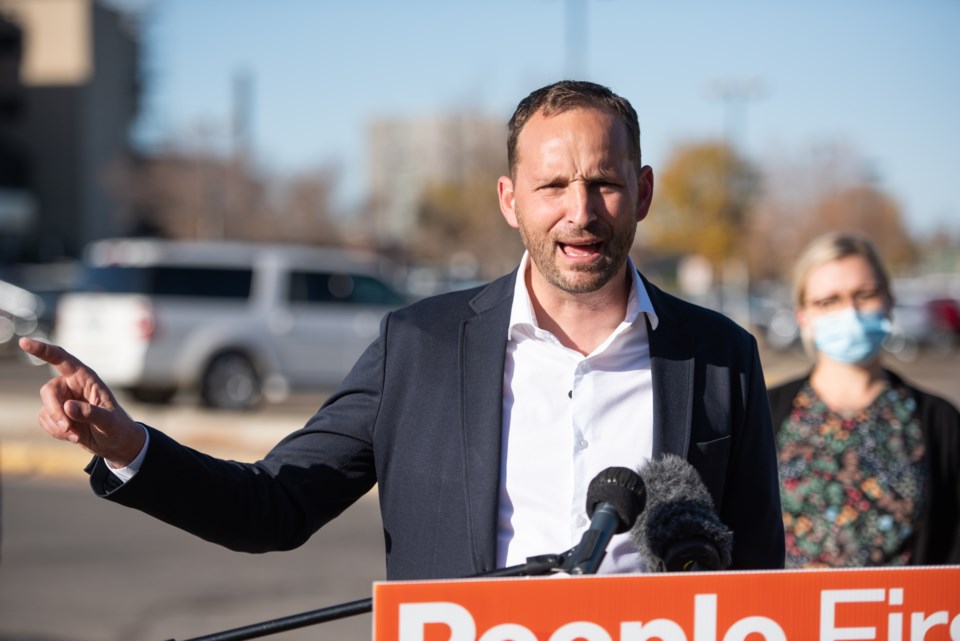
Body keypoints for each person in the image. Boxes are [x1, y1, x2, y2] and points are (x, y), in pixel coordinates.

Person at [20, 80, 784, 580]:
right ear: (510, 199)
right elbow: (274, 506)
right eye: (552, 185)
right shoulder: (418, 346)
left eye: (604, 183)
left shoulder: (721, 356)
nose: (579, 212)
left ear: (642, 192)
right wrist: (128, 447)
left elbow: (758, 572)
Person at [769, 232, 960, 567]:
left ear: (889, 300)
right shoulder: (762, 412)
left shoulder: (939, 421)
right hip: (783, 618)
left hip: (905, 617)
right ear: (803, 316)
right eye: (829, 301)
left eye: (865, 295)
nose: (850, 313)